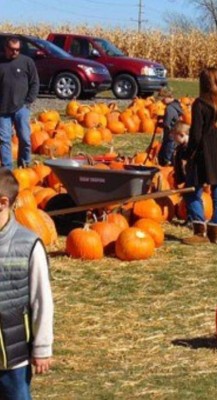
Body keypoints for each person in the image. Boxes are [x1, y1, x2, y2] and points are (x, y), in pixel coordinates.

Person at [0, 168, 53, 399]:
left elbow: (41, 300)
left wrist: (42, 347)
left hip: (13, 357)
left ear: (2, 203)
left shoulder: (28, 245)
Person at [181, 67, 217, 245]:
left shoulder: (200, 103)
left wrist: (188, 154)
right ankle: (216, 231)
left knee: (192, 191)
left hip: (205, 153)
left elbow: (196, 134)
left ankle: (199, 230)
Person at [0, 37, 39, 170]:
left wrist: (28, 101)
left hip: (21, 108)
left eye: (18, 49)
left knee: (25, 139)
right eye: (12, 49)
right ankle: (7, 169)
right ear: (6, 48)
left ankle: (24, 164)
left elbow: (34, 83)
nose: (15, 52)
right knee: (4, 140)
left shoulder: (27, 62)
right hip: (3, 110)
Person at [156, 88, 184, 167]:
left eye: (162, 99)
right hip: (175, 134)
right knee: (171, 153)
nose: (162, 101)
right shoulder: (176, 105)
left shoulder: (169, 108)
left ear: (167, 97)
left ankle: (167, 166)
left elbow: (167, 124)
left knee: (166, 156)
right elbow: (173, 118)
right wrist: (162, 117)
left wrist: (159, 124)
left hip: (169, 136)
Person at [171, 121, 190, 186]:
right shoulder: (180, 147)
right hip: (182, 181)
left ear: (182, 135)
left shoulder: (186, 149)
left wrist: (183, 181)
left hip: (186, 182)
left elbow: (184, 167)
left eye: (174, 137)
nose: (173, 139)